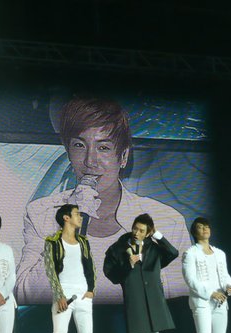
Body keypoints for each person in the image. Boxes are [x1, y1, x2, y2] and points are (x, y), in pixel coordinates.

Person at [15, 96, 190, 304]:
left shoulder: (167, 221)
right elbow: (24, 295)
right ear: (68, 152)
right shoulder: (40, 214)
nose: (90, 161)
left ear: (123, 157)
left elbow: (181, 306)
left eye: (103, 148)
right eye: (79, 145)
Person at [103, 213, 178, 333]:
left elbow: (173, 253)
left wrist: (158, 235)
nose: (136, 233)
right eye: (135, 228)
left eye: (142, 231)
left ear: (148, 233)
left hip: (154, 298)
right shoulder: (118, 248)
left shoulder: (154, 248)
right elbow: (111, 274)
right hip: (134, 297)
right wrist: (128, 264)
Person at [44, 204, 98, 333]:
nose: (80, 217)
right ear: (66, 218)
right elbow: (50, 270)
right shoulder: (52, 241)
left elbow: (91, 266)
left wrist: (91, 290)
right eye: (77, 214)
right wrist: (59, 295)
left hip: (83, 295)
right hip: (64, 295)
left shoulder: (83, 241)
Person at [182, 217, 231, 333]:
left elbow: (225, 275)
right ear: (194, 232)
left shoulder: (220, 253)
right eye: (200, 227)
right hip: (202, 301)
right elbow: (190, 280)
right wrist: (211, 293)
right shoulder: (190, 253)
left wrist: (228, 285)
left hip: (220, 301)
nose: (205, 229)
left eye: (207, 226)